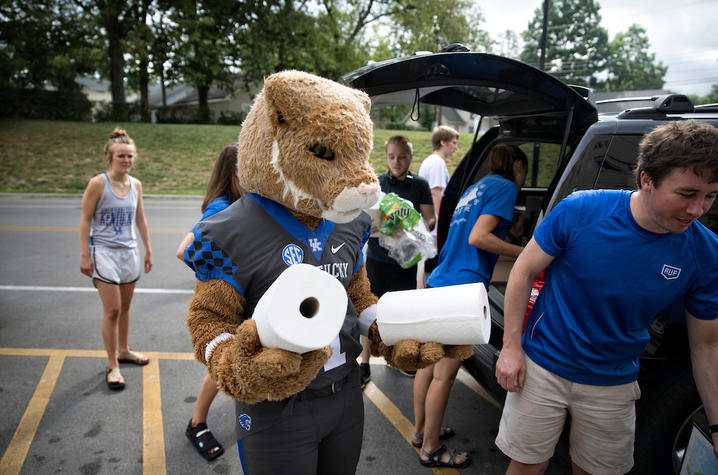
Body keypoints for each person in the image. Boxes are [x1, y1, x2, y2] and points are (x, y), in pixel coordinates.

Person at [494, 120, 718, 474]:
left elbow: (707, 347)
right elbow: (522, 271)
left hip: (613, 382)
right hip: (542, 367)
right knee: (527, 466)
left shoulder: (705, 252)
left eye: (710, 196)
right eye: (687, 194)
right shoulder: (582, 211)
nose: (698, 209)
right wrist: (511, 347)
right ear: (647, 179)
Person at [414, 144, 528, 468]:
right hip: (462, 290)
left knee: (427, 364)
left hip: (440, 279)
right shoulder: (505, 187)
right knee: (445, 375)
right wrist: (525, 252)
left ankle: (422, 432)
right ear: (518, 165)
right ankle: (432, 448)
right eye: (524, 171)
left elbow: (463, 234)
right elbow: (479, 238)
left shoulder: (476, 187)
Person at [176, 143, 243, 462]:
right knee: (224, 365)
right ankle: (197, 423)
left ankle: (244, 420)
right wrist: (222, 275)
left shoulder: (242, 202)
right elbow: (185, 250)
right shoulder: (221, 207)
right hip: (225, 302)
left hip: (244, 298)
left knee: (235, 362)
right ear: (233, 172)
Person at [79, 128, 152, 391]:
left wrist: (148, 250)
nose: (126, 160)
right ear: (110, 157)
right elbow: (85, 219)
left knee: (125, 308)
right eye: (121, 155)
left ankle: (124, 350)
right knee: (112, 310)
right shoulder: (98, 184)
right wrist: (85, 254)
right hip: (104, 252)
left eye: (130, 156)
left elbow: (140, 220)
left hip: (129, 251)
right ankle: (113, 364)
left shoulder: (136, 185)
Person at [361, 136, 435, 386]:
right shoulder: (376, 183)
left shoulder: (420, 185)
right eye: (392, 156)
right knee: (371, 311)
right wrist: (376, 227)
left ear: (410, 157)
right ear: (386, 156)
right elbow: (363, 220)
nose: (396, 161)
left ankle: (397, 358)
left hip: (406, 260)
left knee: (401, 312)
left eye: (402, 156)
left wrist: (409, 225)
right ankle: (364, 363)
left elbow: (431, 220)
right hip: (377, 258)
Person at [418, 125, 459, 278]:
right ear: (443, 142)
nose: (456, 147)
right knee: (431, 266)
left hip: (427, 223)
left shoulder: (431, 161)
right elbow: (436, 194)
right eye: (453, 143)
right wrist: (440, 225)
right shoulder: (437, 163)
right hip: (433, 227)